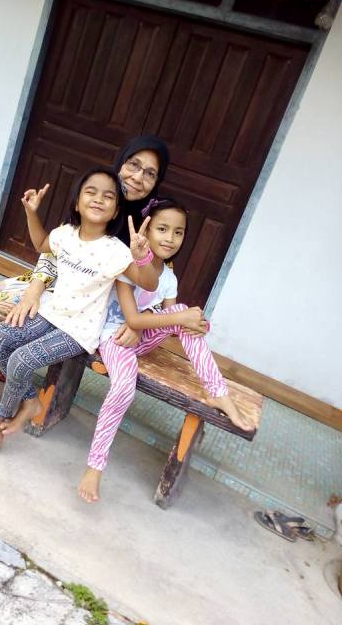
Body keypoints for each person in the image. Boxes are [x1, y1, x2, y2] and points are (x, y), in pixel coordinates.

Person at [0, 135, 170, 402]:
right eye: (133, 165)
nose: (138, 177)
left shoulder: (156, 222)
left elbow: (162, 282)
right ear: (121, 163)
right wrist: (33, 290)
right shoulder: (95, 197)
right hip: (55, 284)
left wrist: (137, 323)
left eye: (150, 173)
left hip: (92, 309)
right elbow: (52, 251)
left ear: (156, 182)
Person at [77, 198, 259, 503]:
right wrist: (178, 318)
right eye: (162, 229)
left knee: (184, 313)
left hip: (143, 339)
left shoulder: (170, 278)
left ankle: (218, 392)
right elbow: (132, 319)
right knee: (123, 387)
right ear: (146, 231)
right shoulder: (129, 267)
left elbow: (172, 322)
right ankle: (95, 466)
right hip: (114, 338)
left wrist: (194, 324)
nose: (170, 238)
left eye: (178, 232)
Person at [0, 167, 159, 454]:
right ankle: (31, 400)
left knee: (21, 360)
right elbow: (41, 244)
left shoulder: (117, 251)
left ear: (116, 210)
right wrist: (31, 213)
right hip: (51, 312)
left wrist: (142, 258)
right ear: (77, 203)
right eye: (91, 192)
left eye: (108, 196)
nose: (98, 199)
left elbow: (149, 283)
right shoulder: (65, 234)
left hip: (78, 331)